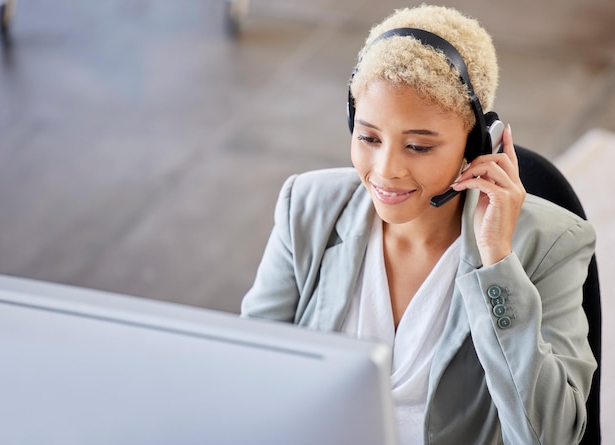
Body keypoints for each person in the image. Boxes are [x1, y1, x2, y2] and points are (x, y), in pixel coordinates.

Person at [240, 5, 597, 444]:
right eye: (369, 138)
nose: (386, 170)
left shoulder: (551, 245)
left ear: (475, 144)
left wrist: (498, 262)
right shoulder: (307, 208)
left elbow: (550, 436)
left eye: (418, 146)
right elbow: (247, 371)